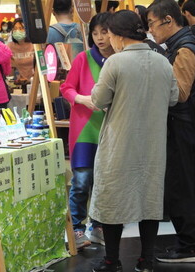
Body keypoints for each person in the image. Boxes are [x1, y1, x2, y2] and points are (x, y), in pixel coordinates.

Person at [89, 10, 178, 272]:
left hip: (120, 142)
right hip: (153, 143)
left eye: (108, 34)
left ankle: (111, 261)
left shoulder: (115, 63)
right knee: (149, 201)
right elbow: (173, 97)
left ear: (117, 36)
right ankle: (146, 261)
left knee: (112, 199)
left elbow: (98, 100)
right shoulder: (163, 61)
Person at [147, 0, 195, 263]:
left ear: (168, 20)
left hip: (182, 125)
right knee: (181, 183)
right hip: (180, 125)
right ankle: (189, 242)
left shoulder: (186, 49)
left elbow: (179, 93)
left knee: (181, 184)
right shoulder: (180, 44)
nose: (151, 31)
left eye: (152, 24)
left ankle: (188, 246)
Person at [59, 13, 115, 249]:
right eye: (95, 33)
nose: (100, 38)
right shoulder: (83, 58)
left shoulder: (119, 60)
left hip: (110, 130)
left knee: (105, 182)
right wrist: (82, 98)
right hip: (83, 131)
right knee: (81, 181)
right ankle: (77, 229)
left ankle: (99, 226)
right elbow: (66, 87)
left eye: (104, 32)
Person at [7, 18, 35, 84]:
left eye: (21, 28)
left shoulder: (34, 45)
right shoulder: (9, 47)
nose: (17, 31)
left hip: (34, 82)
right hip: (18, 83)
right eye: (15, 28)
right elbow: (10, 69)